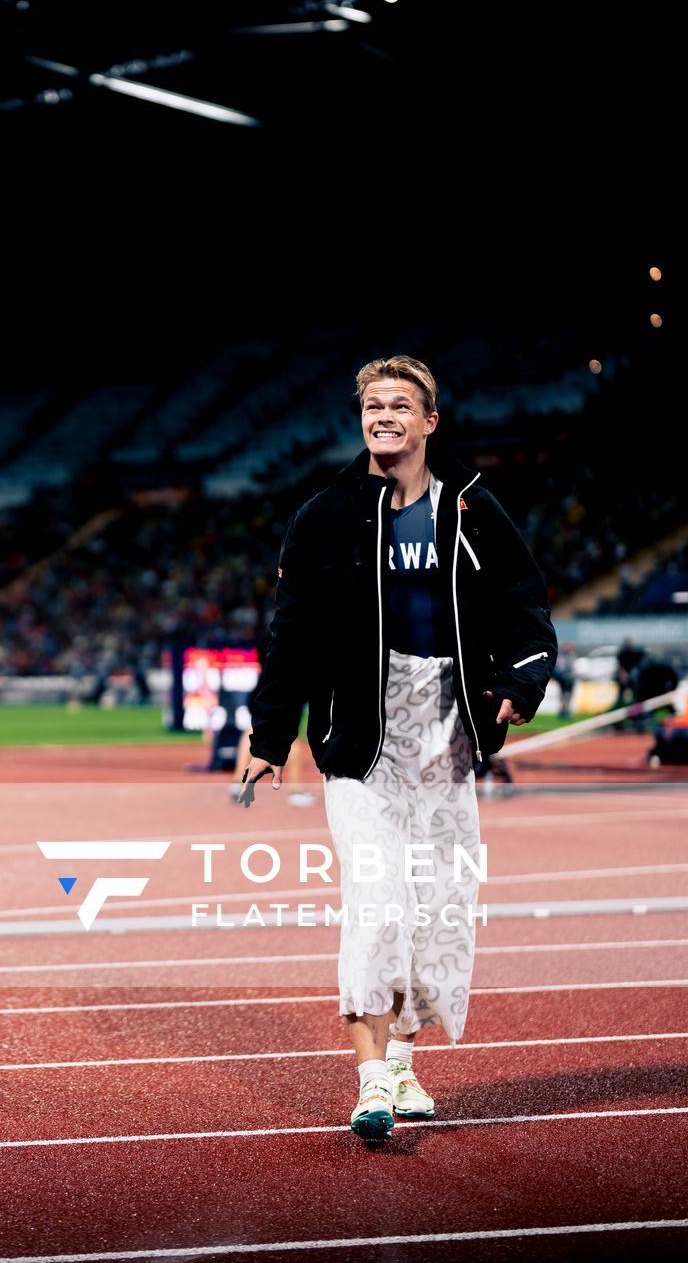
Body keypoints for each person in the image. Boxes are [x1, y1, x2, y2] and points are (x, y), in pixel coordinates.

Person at [244, 355, 556, 1143]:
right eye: (372, 405)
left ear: (429, 422)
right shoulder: (324, 516)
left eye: (399, 405)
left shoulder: (474, 511)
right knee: (378, 899)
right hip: (361, 736)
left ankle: (407, 1064)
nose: (384, 416)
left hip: (448, 733)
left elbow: (523, 602)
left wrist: (522, 680)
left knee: (442, 908)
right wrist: (269, 736)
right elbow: (291, 634)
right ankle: (370, 1079)